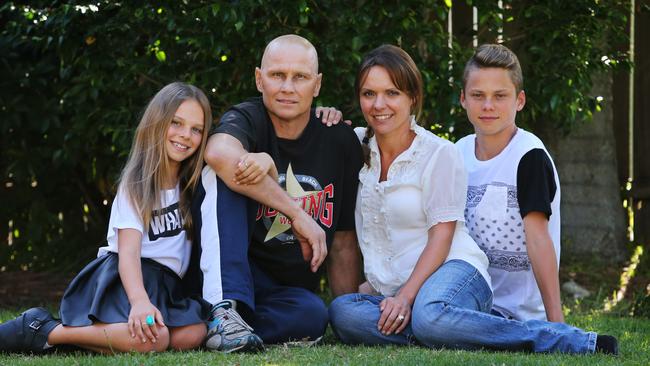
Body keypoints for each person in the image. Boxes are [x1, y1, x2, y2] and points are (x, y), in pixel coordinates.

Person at [328, 44, 618, 355]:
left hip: (461, 276)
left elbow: (533, 239)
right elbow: (317, 138)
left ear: (412, 97)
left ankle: (557, 339)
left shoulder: (513, 155)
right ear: (463, 99)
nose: (379, 103)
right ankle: (451, 330)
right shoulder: (448, 149)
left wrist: (557, 320)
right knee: (343, 312)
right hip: (436, 295)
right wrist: (325, 116)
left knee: (429, 315)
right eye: (369, 93)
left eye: (392, 93)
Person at [0, 82, 213, 354]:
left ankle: (92, 341)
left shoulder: (191, 187)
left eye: (196, 129)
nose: (185, 135)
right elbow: (128, 253)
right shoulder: (136, 185)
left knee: (194, 333)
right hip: (128, 280)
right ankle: (45, 329)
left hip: (166, 287)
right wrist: (138, 301)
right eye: (176, 123)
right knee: (155, 339)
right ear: (157, 123)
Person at [190, 34, 363, 352]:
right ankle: (222, 311)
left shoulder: (339, 140)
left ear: (317, 84)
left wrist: (348, 315)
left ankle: (200, 325)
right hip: (229, 272)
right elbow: (217, 152)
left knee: (313, 315)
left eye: (300, 77)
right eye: (277, 75)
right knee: (224, 172)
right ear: (259, 79)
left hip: (280, 294)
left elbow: (343, 241)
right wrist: (297, 214)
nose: (288, 87)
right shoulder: (248, 118)